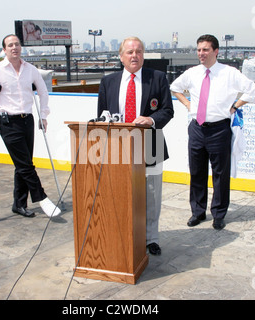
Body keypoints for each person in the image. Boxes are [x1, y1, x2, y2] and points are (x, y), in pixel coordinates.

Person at [170, 34, 255, 230]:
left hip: (219, 129)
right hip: (196, 129)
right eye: (199, 49)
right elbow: (175, 87)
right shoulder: (192, 73)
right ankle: (198, 212)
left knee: (220, 174)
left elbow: (253, 90)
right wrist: (187, 103)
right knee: (197, 172)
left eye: (205, 50)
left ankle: (219, 214)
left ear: (216, 51)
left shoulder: (229, 73)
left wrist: (236, 105)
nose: (201, 53)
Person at [97, 36, 174, 255]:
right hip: (118, 146)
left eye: (139, 51)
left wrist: (150, 120)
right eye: (130, 52)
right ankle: (122, 232)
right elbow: (101, 116)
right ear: (121, 56)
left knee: (151, 195)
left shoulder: (157, 78)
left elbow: (168, 110)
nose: (135, 55)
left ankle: (151, 238)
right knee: (120, 192)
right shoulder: (108, 82)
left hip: (152, 143)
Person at [0, 34, 61, 219]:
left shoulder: (30, 70)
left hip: (27, 120)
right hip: (8, 122)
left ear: (20, 47)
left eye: (16, 44)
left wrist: (44, 115)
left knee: (22, 164)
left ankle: (19, 204)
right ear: (4, 49)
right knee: (25, 164)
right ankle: (42, 198)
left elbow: (43, 92)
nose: (14, 47)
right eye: (10, 45)